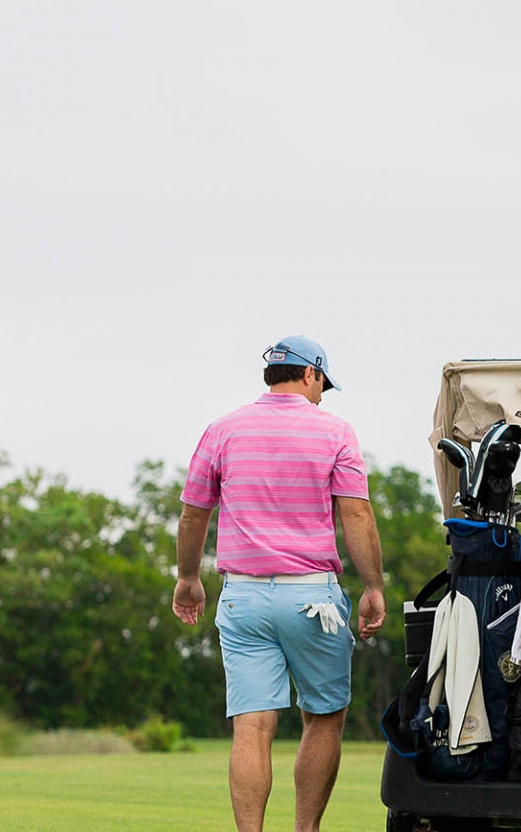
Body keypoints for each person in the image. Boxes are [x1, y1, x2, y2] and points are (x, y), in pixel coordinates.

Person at [170, 336, 387, 832]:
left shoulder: (222, 429)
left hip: (243, 594)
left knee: (252, 725)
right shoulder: (335, 431)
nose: (321, 396)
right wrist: (373, 585)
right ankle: (305, 830)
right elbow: (355, 511)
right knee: (325, 717)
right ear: (310, 374)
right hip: (312, 596)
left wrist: (187, 577)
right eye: (322, 386)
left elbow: (193, 513)